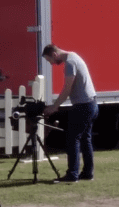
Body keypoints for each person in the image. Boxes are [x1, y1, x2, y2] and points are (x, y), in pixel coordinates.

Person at [42, 44, 98, 183]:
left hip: (83, 106)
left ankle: (72, 175)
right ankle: (87, 173)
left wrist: (54, 107)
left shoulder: (70, 63)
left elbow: (67, 89)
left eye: (50, 60)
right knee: (86, 139)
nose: (52, 64)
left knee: (73, 139)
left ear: (55, 54)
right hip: (92, 104)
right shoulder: (75, 56)